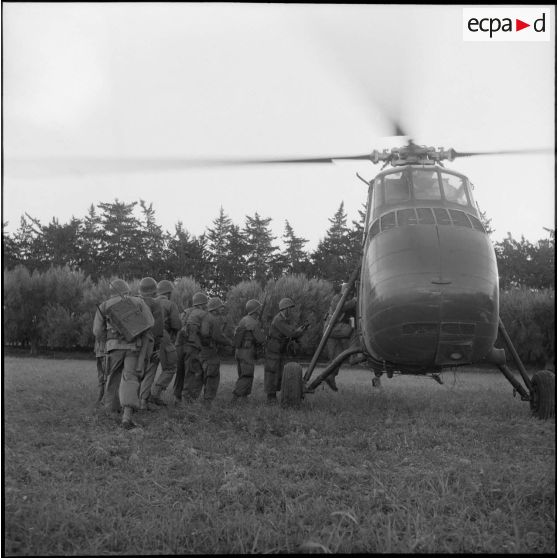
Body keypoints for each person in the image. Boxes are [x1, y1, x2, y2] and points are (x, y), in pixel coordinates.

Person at [92, 279, 154, 429]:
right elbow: (150, 322)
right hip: (133, 346)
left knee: (113, 377)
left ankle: (110, 413)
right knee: (130, 378)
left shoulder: (104, 305)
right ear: (127, 289)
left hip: (113, 347)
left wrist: (106, 340)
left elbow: (97, 331)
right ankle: (126, 417)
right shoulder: (137, 301)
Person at [264, 297, 307, 404]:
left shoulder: (283, 319)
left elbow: (291, 332)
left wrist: (300, 330)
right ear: (285, 309)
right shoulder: (278, 320)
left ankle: (276, 397)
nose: (291, 311)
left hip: (279, 350)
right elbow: (290, 333)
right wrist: (300, 331)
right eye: (290, 309)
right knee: (272, 373)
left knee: (279, 373)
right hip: (273, 350)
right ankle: (271, 398)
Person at [149, 280, 182, 406]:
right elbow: (176, 324)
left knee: (150, 367)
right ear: (168, 292)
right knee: (171, 367)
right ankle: (155, 394)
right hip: (164, 336)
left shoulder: (150, 302)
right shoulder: (170, 304)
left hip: (148, 337)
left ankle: (143, 397)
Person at [174, 291, 208, 405]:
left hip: (178, 345)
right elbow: (204, 333)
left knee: (180, 371)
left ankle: (176, 397)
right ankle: (187, 401)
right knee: (192, 372)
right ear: (202, 304)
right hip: (192, 346)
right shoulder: (202, 314)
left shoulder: (184, 312)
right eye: (205, 304)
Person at [199, 297, 233, 404]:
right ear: (214, 309)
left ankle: (203, 400)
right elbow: (218, 336)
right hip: (210, 352)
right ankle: (208, 401)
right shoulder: (212, 319)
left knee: (205, 376)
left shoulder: (204, 317)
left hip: (201, 352)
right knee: (212, 376)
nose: (221, 309)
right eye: (219, 307)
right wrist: (230, 343)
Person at [137, 277, 165, 411]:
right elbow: (158, 328)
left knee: (134, 373)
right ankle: (143, 403)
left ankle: (130, 402)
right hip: (150, 344)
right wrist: (158, 347)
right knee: (149, 373)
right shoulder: (155, 304)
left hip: (134, 344)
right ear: (154, 290)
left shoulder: (133, 301)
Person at [324, 282, 357, 391]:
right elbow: (340, 307)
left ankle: (330, 377)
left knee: (337, 357)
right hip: (332, 327)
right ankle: (353, 358)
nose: (351, 293)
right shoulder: (337, 298)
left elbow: (352, 318)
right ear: (345, 291)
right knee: (353, 332)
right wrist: (354, 302)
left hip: (334, 330)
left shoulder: (349, 302)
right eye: (350, 291)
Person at [232, 299, 266, 401]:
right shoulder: (253, 322)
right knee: (247, 375)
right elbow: (260, 339)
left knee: (242, 375)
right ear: (255, 311)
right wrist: (263, 332)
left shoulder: (244, 319)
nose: (260, 310)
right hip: (247, 353)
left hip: (239, 352)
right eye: (258, 309)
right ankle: (235, 397)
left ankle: (244, 398)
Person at [94, 337, 107, 405]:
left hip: (106, 351)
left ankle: (104, 398)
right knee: (101, 377)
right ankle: (101, 397)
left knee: (107, 376)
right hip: (99, 351)